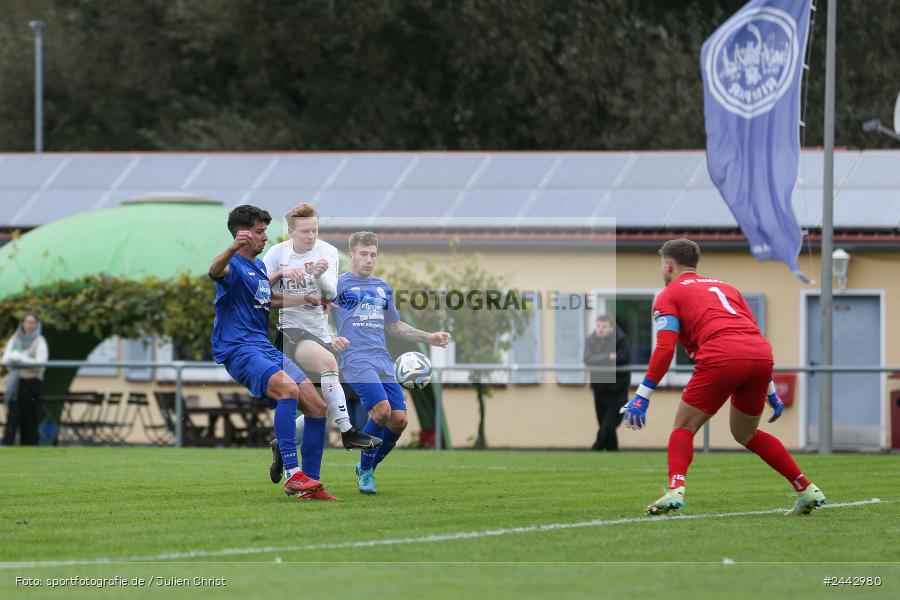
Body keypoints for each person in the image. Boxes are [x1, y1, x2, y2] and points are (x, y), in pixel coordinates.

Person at [621, 238, 825, 516]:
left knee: (683, 426)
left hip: (722, 355)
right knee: (746, 433)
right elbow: (750, 334)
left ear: (668, 264)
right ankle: (805, 488)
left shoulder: (669, 294)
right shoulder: (727, 288)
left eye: (661, 263)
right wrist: (771, 391)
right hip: (760, 355)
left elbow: (666, 347)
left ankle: (675, 489)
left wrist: (642, 396)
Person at [208, 204, 336, 501]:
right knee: (287, 390)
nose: (265, 237)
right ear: (242, 235)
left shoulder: (256, 267)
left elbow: (269, 298)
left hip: (263, 347)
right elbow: (214, 270)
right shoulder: (234, 265)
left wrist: (304, 298)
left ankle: (311, 485)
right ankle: (293, 475)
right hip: (239, 349)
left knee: (317, 408)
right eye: (259, 231)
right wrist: (232, 247)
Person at [263, 203, 382, 484]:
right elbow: (259, 289)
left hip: (319, 331)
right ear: (290, 231)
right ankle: (348, 431)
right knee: (329, 366)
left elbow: (331, 292)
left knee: (320, 405)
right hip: (290, 331)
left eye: (315, 229)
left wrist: (317, 276)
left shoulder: (327, 251)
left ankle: (283, 442)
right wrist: (280, 275)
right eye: (305, 231)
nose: (311, 236)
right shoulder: (277, 254)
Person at [332, 231, 451, 495]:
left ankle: (368, 467)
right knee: (382, 411)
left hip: (382, 360)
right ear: (351, 255)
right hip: (355, 359)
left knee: (398, 421)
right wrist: (330, 337)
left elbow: (394, 326)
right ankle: (365, 470)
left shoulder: (382, 288)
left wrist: (428, 336)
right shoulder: (337, 285)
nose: (369, 260)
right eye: (363, 254)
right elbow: (318, 313)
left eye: (373, 255)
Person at [583, 314, 630, 451]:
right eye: (598, 326)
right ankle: (612, 453)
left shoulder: (620, 339)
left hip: (617, 389)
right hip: (600, 388)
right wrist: (608, 356)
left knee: (608, 424)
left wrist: (601, 358)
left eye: (604, 326)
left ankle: (595, 448)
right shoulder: (591, 340)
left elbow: (622, 358)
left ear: (611, 327)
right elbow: (587, 359)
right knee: (604, 424)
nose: (600, 329)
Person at [2, 313, 48, 446]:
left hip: (31, 381)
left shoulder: (39, 341)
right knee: (13, 415)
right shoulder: (15, 338)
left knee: (29, 415)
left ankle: (29, 445)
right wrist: (12, 358)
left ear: (36, 324)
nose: (29, 325)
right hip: (15, 382)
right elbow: (5, 358)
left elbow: (41, 362)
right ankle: (8, 444)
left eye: (32, 322)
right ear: (23, 323)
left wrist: (22, 359)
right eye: (27, 322)